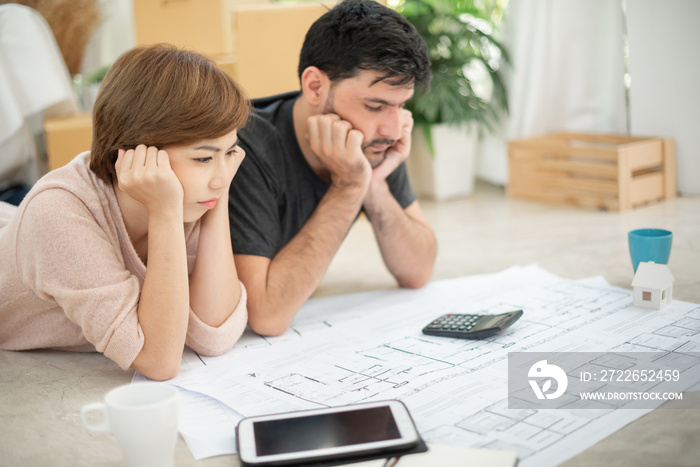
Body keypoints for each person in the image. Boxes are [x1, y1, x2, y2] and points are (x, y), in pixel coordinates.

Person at [0, 44, 250, 381]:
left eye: (230, 152)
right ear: (136, 152)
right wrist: (163, 211)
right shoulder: (60, 215)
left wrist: (218, 199)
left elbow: (214, 334)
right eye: (204, 158)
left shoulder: (189, 197)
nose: (221, 177)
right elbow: (159, 360)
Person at [229, 0, 437, 336]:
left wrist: (373, 184)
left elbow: (418, 270)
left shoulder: (375, 140)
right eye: (375, 105)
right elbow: (266, 315)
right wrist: (349, 186)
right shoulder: (242, 148)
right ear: (315, 86)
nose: (394, 129)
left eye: (401, 106)